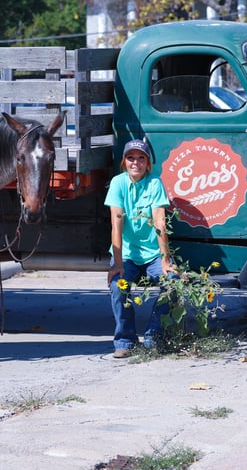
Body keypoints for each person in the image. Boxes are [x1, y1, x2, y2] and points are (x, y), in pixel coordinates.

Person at [105, 139, 176, 358]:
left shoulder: (154, 183)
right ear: (124, 162)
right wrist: (118, 264)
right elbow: (116, 223)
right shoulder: (117, 183)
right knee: (118, 286)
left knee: (174, 283)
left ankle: (154, 335)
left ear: (148, 163)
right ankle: (125, 340)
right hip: (128, 254)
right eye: (131, 158)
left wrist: (165, 260)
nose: (135, 162)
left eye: (141, 158)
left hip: (153, 255)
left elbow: (160, 223)